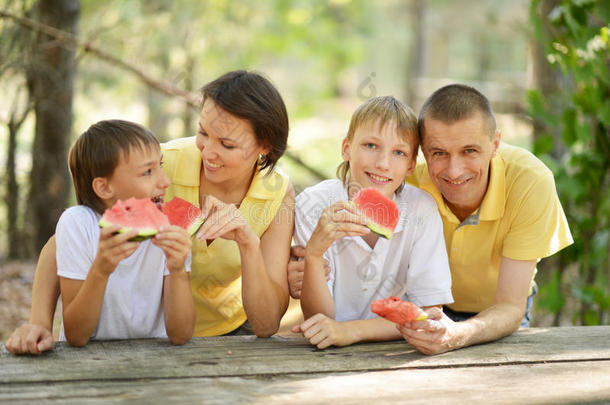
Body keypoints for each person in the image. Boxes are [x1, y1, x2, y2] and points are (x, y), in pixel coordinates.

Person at [5, 70, 294, 354]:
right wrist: (39, 322)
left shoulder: (278, 195)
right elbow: (65, 241)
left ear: (265, 146)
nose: (207, 152)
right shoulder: (160, 165)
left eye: (227, 144)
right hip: (154, 337)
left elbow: (267, 323)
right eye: (203, 132)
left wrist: (248, 244)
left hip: (229, 334)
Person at [395, 84, 573, 354]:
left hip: (499, 314)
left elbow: (511, 306)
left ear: (495, 144)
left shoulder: (530, 182)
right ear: (423, 152)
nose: (454, 171)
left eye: (469, 151)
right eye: (439, 153)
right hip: (422, 308)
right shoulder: (406, 182)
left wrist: (456, 333)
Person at [291, 96, 453, 349]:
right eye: (370, 145)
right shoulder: (313, 205)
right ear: (346, 148)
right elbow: (318, 319)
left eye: (398, 152)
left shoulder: (422, 209)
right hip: (327, 351)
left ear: (411, 165)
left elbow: (428, 312)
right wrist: (313, 255)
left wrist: (351, 331)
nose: (383, 163)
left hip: (395, 351)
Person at [57, 120, 195, 346]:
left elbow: (180, 334)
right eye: (148, 172)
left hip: (156, 361)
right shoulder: (77, 224)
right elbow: (76, 336)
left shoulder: (169, 226)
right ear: (104, 187)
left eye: (160, 166)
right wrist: (101, 270)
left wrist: (178, 270)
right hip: (88, 363)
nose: (165, 181)